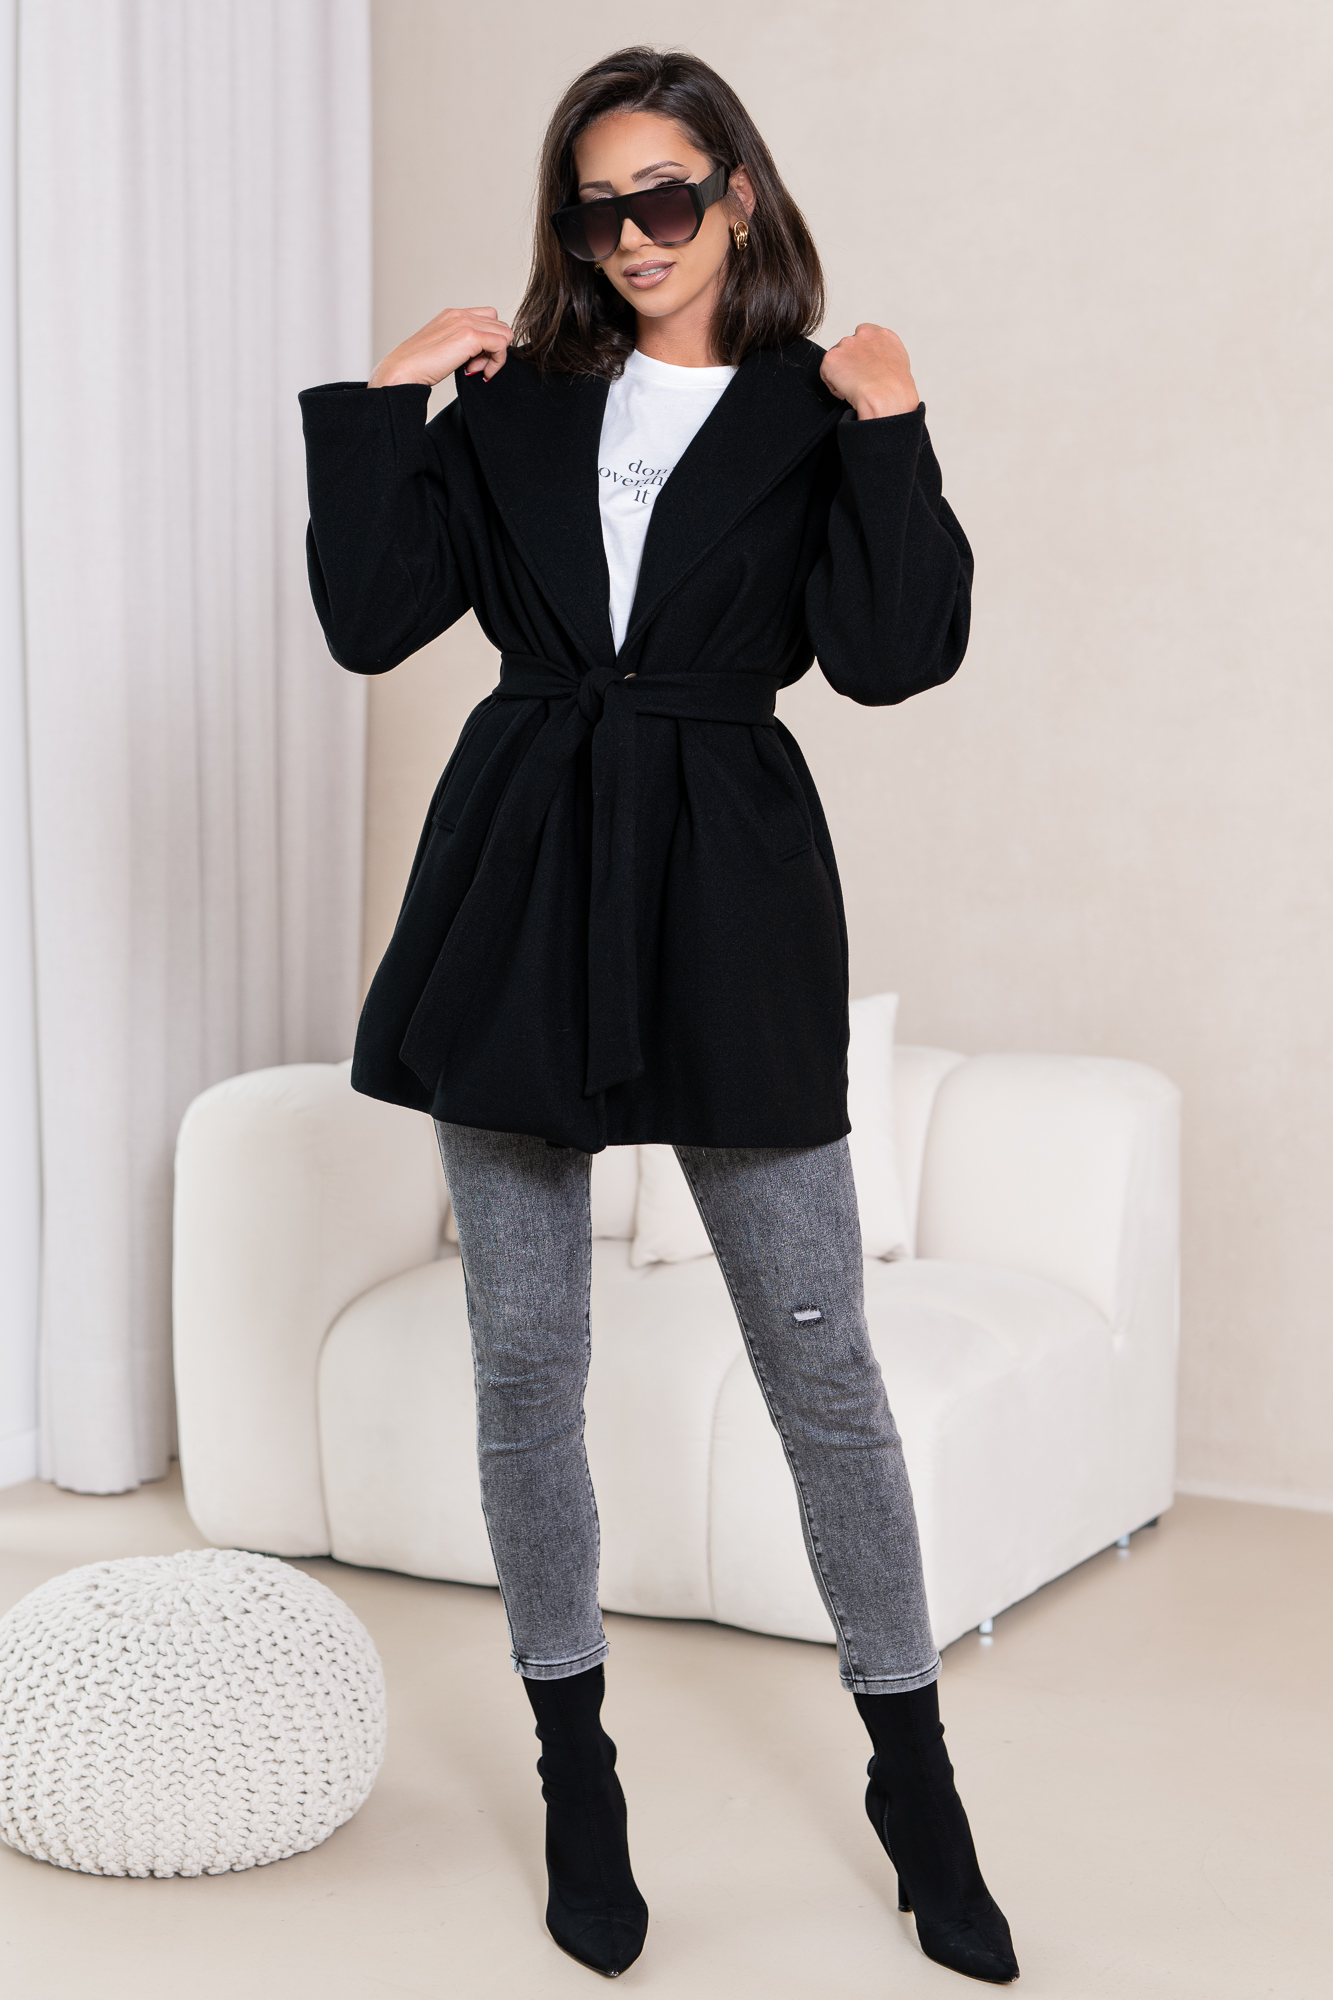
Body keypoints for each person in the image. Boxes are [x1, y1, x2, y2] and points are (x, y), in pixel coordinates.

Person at [300, 43, 1016, 1987]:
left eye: (668, 198)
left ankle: (916, 1787)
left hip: (727, 890)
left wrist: (892, 425)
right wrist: (382, 402)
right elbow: (370, 619)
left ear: (739, 197)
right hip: (519, 878)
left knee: (822, 1370)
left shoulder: (811, 402)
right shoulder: (513, 404)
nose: (633, 237)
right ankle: (576, 1771)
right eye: (596, 207)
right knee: (526, 1364)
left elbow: (890, 655)